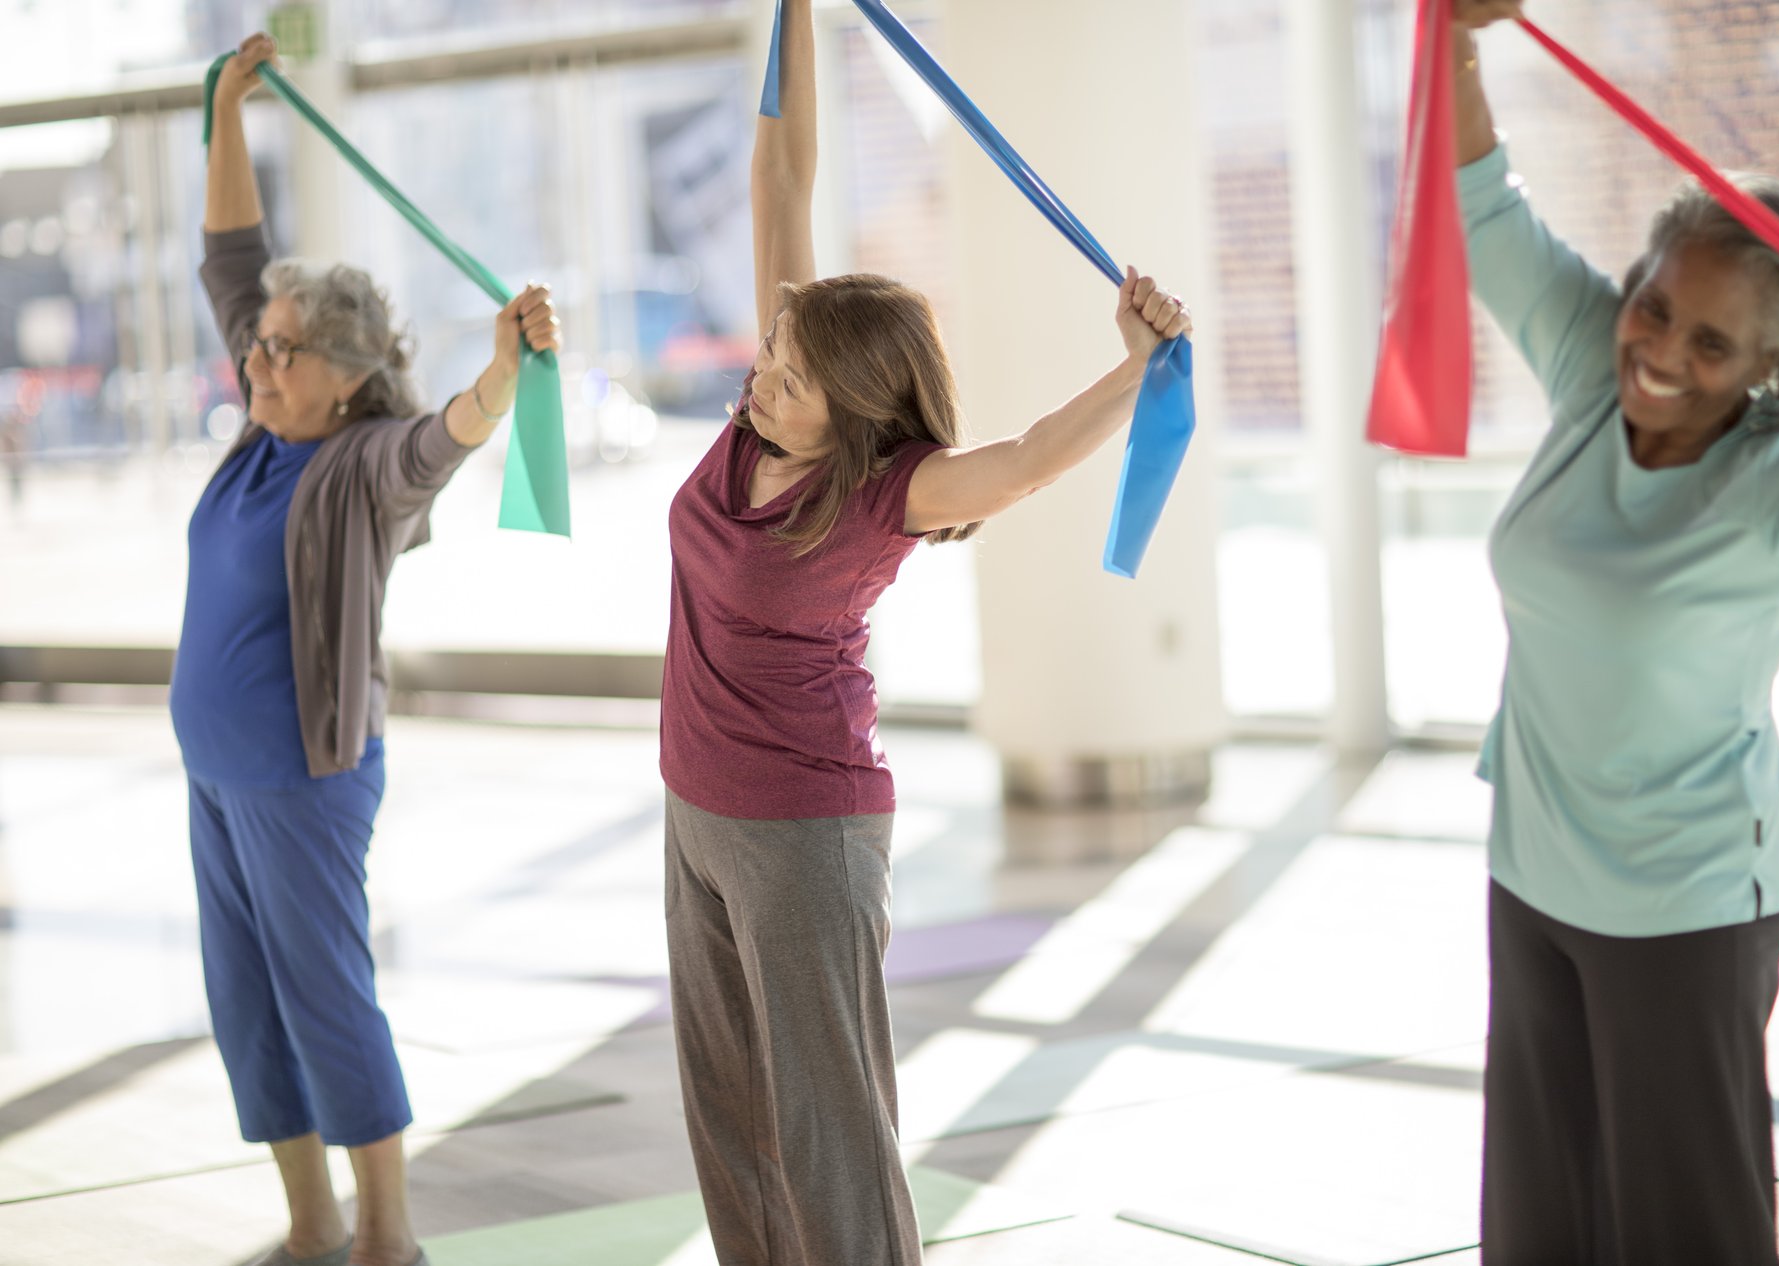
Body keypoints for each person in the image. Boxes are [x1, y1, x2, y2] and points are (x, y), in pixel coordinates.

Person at [659, 3, 1192, 1262]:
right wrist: (792, 17)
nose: (760, 377)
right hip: (697, 806)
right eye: (773, 355)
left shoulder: (887, 490)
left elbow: (1022, 463)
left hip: (804, 834)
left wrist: (1138, 366)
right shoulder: (756, 428)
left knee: (827, 1131)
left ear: (853, 414)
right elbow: (778, 177)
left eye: (789, 375)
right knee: (728, 1119)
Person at [1451, 4, 1779, 1262]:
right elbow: (1481, 201)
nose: (1657, 351)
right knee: (1542, 1223)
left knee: (1684, 1228)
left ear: (1765, 364)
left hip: (1685, 907)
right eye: (1653, 306)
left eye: (1709, 343)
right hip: (1532, 873)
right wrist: (1454, 35)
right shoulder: (1593, 370)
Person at [180, 34, 560, 1266]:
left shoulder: (354, 466)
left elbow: (439, 440)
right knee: (251, 1012)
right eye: (261, 343)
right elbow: (233, 265)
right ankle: (308, 1227)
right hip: (217, 778)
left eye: (283, 348)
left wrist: (501, 370)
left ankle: (386, 1241)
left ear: (346, 378)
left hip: (304, 776)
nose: (257, 355)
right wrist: (229, 112)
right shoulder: (265, 421)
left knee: (325, 1003)